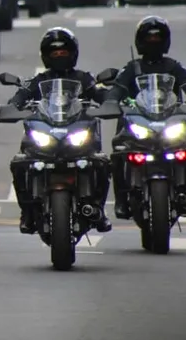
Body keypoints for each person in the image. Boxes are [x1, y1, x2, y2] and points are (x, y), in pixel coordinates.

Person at [7, 28, 112, 233]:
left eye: (63, 53)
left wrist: (110, 102)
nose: (59, 57)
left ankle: (98, 207)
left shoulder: (84, 78)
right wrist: (13, 106)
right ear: (45, 56)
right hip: (46, 134)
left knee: (102, 163)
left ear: (73, 53)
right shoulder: (38, 80)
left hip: (76, 134)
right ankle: (27, 212)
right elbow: (20, 96)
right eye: (54, 53)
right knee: (20, 164)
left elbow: (101, 95)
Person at [105, 16, 186, 220]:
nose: (153, 42)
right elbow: (117, 89)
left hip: (169, 121)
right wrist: (111, 102)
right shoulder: (132, 68)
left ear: (166, 41)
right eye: (149, 38)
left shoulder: (174, 66)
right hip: (139, 121)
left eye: (158, 38)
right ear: (140, 40)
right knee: (118, 150)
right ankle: (122, 199)